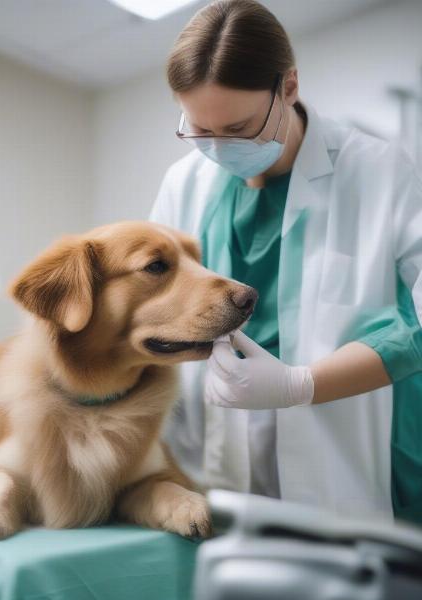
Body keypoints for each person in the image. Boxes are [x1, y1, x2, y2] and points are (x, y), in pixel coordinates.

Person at [149, 0, 422, 525]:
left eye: (240, 127)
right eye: (199, 129)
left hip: (339, 442)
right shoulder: (184, 183)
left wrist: (302, 384)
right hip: (215, 439)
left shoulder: (377, 171)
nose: (220, 148)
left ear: (289, 87)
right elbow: (151, 302)